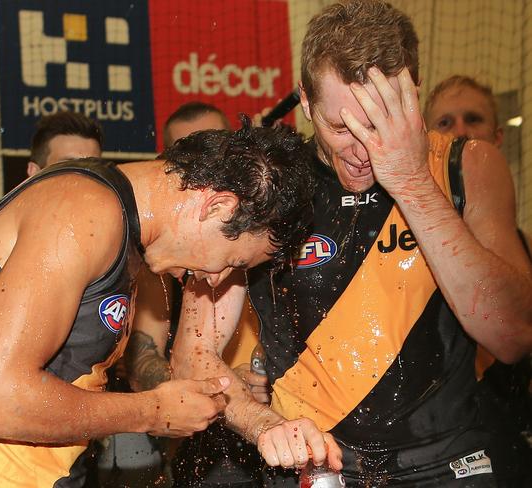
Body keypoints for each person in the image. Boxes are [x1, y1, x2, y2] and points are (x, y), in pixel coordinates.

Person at [172, 1, 532, 487]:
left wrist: (410, 180)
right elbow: (193, 355)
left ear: (413, 96)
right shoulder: (266, 183)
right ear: (304, 101)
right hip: (313, 463)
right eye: (341, 128)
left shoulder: (464, 165)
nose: (364, 152)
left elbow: (512, 335)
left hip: (446, 462)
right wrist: (265, 425)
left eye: (380, 125)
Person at [0, 117, 325, 487]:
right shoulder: (82, 212)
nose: (216, 277)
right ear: (217, 206)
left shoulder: (116, 222)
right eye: (233, 260)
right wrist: (150, 410)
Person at [125, 101, 268, 487]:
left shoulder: (265, 233)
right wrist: (217, 388)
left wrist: (278, 376)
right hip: (209, 445)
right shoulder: (156, 261)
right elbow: (141, 361)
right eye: (192, 157)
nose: (210, 174)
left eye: (218, 152)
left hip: (291, 422)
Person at [424, 73, 532, 450]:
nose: (460, 132)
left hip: (507, 438)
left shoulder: (524, 251)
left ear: (497, 137)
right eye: (444, 122)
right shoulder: (397, 248)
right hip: (433, 442)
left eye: (473, 119)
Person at [0, 110, 105, 253]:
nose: (83, 179)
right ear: (34, 174)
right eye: (68, 167)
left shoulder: (113, 248)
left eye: (92, 167)